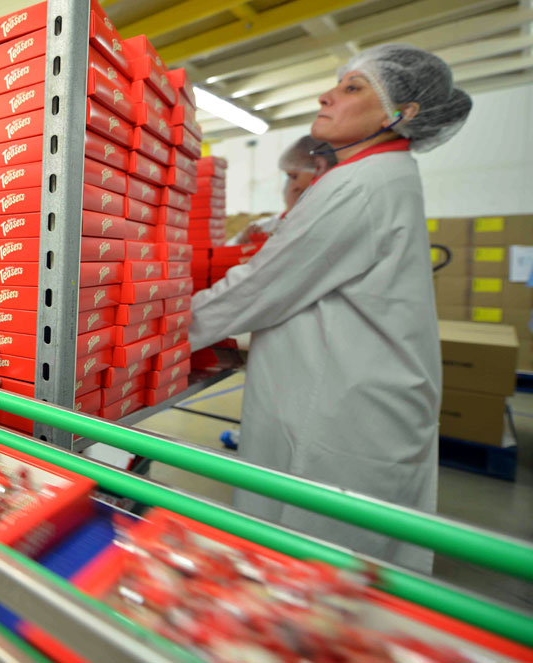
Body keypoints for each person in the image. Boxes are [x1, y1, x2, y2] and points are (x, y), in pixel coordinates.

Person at [189, 44, 472, 573]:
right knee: (323, 562)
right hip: (346, 393)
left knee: (321, 568)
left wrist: (152, 332)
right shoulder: (371, 176)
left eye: (352, 88)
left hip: (345, 413)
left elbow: (262, 287)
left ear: (401, 114)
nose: (327, 94)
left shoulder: (363, 185)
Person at [227, 136, 333, 245]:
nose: (293, 185)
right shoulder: (264, 225)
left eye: (294, 176)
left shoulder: (329, 217)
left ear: (320, 166)